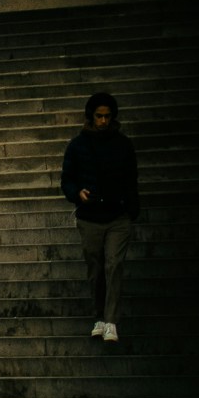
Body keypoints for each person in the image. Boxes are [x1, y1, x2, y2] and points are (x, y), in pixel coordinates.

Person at [60, 88, 139, 345]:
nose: (103, 121)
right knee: (96, 270)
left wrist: (131, 210)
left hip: (117, 216)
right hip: (90, 217)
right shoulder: (78, 145)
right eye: (98, 116)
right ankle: (99, 317)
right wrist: (77, 193)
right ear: (90, 117)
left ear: (112, 116)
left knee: (113, 265)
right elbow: (66, 180)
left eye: (107, 116)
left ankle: (111, 321)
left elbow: (131, 180)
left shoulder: (123, 144)